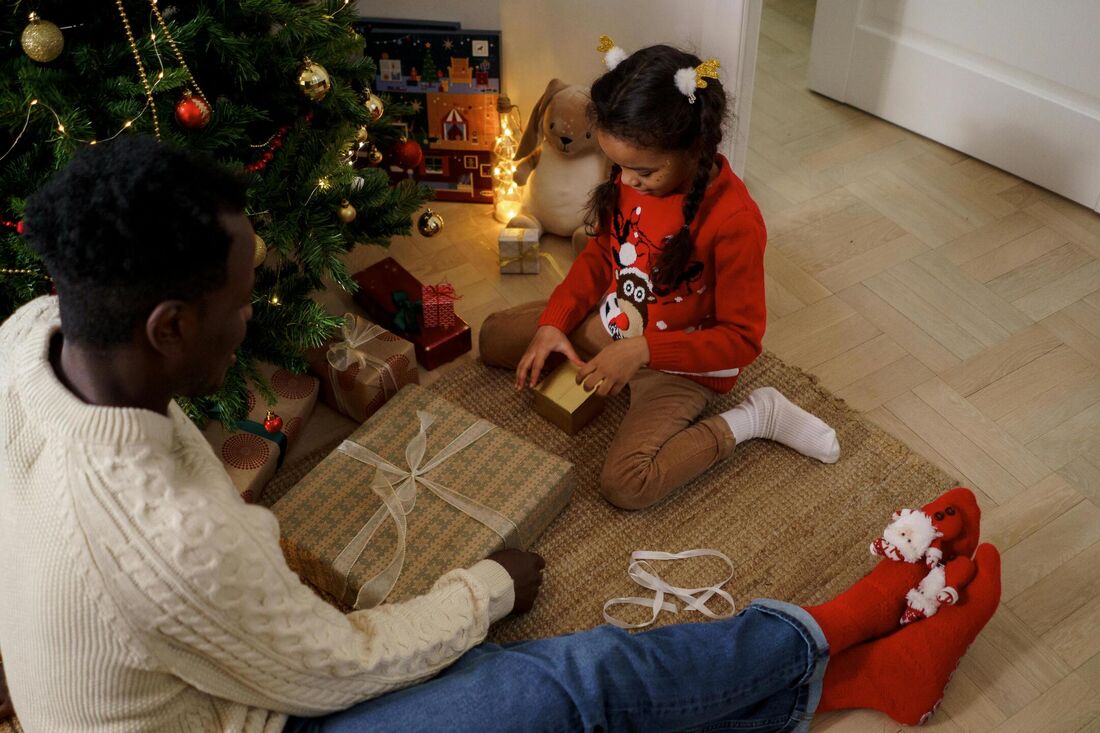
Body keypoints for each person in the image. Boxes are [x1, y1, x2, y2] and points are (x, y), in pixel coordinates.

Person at [0, 136, 1002, 733]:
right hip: (260, 705)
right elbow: (332, 666)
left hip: (204, 675)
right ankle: (834, 636)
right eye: (237, 296)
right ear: (166, 326)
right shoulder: (170, 539)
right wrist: (484, 589)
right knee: (571, 683)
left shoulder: (30, 338)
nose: (253, 308)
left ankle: (854, 679)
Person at [480, 43, 842, 511]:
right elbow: (602, 255)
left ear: (692, 148)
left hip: (680, 366)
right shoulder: (632, 179)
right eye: (618, 166)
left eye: (642, 170)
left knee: (629, 484)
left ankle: (757, 418)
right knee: (492, 338)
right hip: (615, 328)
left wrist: (643, 351)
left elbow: (742, 340)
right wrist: (556, 320)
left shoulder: (736, 222)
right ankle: (586, 350)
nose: (626, 181)